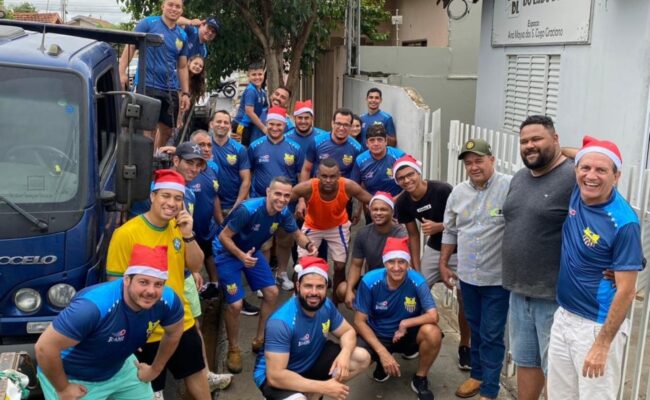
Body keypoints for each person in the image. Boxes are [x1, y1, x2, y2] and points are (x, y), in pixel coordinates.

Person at [547, 136, 643, 399]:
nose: (591, 176)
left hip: (595, 327)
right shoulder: (578, 192)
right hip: (564, 316)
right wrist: (579, 152)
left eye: (601, 170)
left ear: (616, 176)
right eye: (585, 168)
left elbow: (627, 291)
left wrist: (602, 344)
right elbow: (575, 155)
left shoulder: (623, 222)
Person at [106, 169, 210, 399]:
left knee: (197, 374)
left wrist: (188, 235)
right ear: (153, 196)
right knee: (150, 389)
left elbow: (195, 265)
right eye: (166, 196)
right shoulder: (126, 234)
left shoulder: (179, 229)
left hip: (181, 322)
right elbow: (115, 285)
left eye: (178, 198)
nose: (171, 203)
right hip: (145, 330)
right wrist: (127, 330)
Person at [35, 244, 184, 400]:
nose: (151, 291)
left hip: (119, 369)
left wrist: (155, 370)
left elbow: (174, 332)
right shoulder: (92, 307)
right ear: (127, 279)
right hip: (73, 376)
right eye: (143, 282)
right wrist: (63, 388)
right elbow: (44, 348)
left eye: (158, 284)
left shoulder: (168, 300)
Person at [501, 115, 575, 400]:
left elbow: (605, 213)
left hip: (553, 297)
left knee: (556, 372)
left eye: (536, 139)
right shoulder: (520, 178)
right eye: (524, 141)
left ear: (555, 139)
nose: (529, 146)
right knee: (526, 362)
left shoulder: (573, 176)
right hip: (519, 292)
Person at [213, 177, 317, 374]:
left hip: (251, 252)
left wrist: (309, 245)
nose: (282, 199)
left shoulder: (283, 213)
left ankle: (260, 339)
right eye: (278, 194)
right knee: (235, 305)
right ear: (268, 192)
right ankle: (233, 348)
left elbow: (297, 235)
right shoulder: (248, 210)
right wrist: (241, 256)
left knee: (271, 292)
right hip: (227, 253)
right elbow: (223, 237)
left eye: (287, 195)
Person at [439, 139, 512, 400]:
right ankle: (477, 375)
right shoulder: (458, 193)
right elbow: (450, 230)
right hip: (468, 277)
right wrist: (443, 263)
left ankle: (490, 390)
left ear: (492, 160)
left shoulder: (511, 186)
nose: (474, 167)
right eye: (469, 163)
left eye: (479, 161)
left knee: (492, 334)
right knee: (476, 329)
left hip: (497, 279)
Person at [393, 154, 472, 370]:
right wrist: (417, 267)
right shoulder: (403, 202)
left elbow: (466, 218)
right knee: (413, 291)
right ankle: (416, 337)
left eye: (410, 175)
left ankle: (465, 345)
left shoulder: (442, 190)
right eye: (401, 178)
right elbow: (413, 235)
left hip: (460, 250)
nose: (407, 180)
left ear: (419, 173)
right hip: (435, 250)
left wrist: (440, 226)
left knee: (465, 298)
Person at [253, 256, 371, 400]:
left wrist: (345, 355)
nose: (314, 292)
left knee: (361, 358)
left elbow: (348, 331)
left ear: (326, 287)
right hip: (276, 375)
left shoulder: (326, 305)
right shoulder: (281, 322)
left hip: (310, 360)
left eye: (320, 287)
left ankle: (313, 394)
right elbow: (275, 376)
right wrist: (324, 387)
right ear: (298, 286)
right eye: (308, 286)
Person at [354, 237, 442, 400]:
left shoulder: (417, 280)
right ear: (385, 263)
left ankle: (420, 377)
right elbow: (359, 321)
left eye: (401, 262)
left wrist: (405, 323)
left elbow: (433, 315)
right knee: (356, 357)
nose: (396, 267)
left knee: (433, 332)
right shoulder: (369, 281)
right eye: (391, 262)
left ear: (408, 264)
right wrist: (382, 353)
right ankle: (381, 360)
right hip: (379, 334)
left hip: (406, 334)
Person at [293, 158, 372, 303]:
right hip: (313, 226)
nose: (328, 180)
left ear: (339, 175)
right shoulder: (308, 187)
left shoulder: (347, 186)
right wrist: (293, 210)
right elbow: (284, 199)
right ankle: (298, 300)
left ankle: (334, 305)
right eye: (324, 176)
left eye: (332, 176)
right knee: (302, 264)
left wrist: (391, 213)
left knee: (340, 266)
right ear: (317, 175)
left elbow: (371, 200)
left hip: (338, 226)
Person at [118, 0, 190, 149]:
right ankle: (145, 159)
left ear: (182, 10)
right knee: (147, 128)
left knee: (168, 129)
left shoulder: (182, 35)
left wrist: (185, 93)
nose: (174, 9)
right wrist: (121, 72)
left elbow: (182, 66)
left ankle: (156, 156)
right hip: (147, 84)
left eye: (178, 6)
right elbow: (130, 47)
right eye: (170, 4)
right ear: (163, 6)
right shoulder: (148, 23)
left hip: (169, 88)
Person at [249, 106, 304, 291]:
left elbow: (300, 176)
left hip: (286, 204)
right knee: (263, 243)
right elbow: (249, 174)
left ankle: (281, 273)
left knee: (285, 240)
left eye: (279, 125)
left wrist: (301, 200)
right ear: (266, 123)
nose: (274, 128)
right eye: (271, 124)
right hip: (261, 204)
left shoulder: (295, 148)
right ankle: (263, 279)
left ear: (284, 125)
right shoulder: (255, 146)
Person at [343, 192, 407, 310]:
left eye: (383, 210)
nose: (378, 213)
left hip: (393, 281)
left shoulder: (401, 234)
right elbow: (356, 265)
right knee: (342, 289)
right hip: (371, 280)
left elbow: (402, 268)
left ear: (392, 212)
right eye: (375, 209)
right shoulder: (363, 233)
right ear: (370, 211)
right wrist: (349, 290)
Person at [300, 108, 363, 181]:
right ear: (332, 123)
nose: (341, 128)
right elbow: (306, 169)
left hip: (343, 187)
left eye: (346, 125)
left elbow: (359, 177)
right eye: (338, 123)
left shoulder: (357, 148)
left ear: (351, 126)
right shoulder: (316, 142)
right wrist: (304, 187)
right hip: (319, 186)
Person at [232, 62, 267, 146]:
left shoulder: (262, 92)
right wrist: (263, 128)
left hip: (251, 125)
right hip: (242, 125)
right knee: (243, 149)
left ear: (263, 75)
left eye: (260, 74)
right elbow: (249, 112)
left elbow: (267, 108)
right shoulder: (251, 90)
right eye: (254, 75)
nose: (257, 77)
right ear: (248, 76)